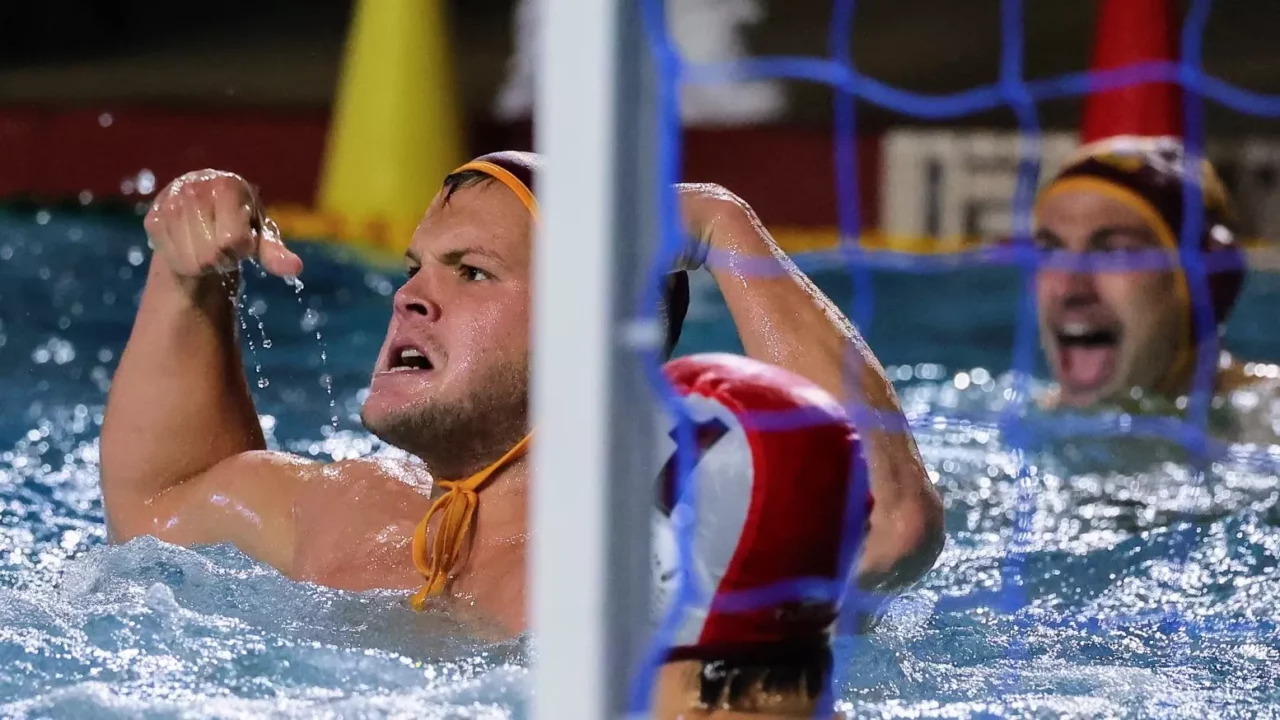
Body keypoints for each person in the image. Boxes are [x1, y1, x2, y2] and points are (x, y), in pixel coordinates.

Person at [100, 152, 943, 715]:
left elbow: (884, 522)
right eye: (414, 269)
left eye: (471, 272)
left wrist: (721, 224)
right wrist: (186, 277)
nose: (410, 298)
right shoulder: (346, 510)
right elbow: (161, 506)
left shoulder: (665, 546)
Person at [1033, 135, 1250, 412]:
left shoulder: (1265, 421)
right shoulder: (1014, 419)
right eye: (1050, 252)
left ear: (1207, 282)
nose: (1069, 288)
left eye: (1116, 253)